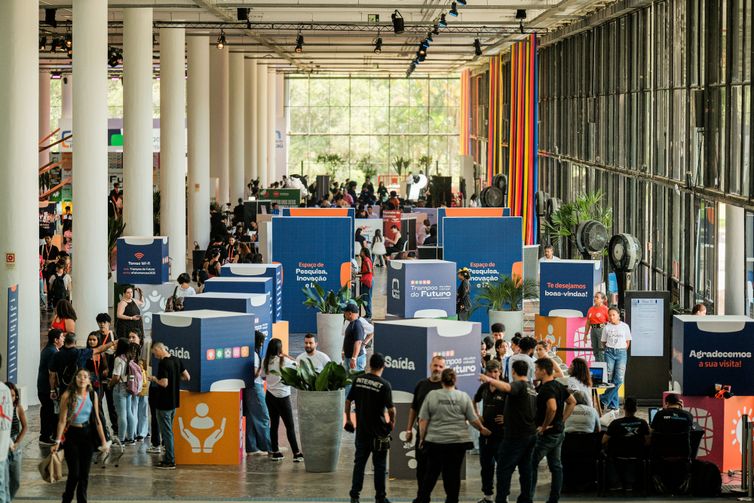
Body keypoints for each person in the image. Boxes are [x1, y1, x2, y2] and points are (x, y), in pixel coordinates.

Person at [413, 368, 491, 503]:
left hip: (435, 442)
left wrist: (422, 438)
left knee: (430, 474)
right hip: (457, 444)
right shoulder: (463, 396)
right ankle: (452, 500)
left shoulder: (432, 395)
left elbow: (423, 420)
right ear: (455, 380)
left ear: (442, 380)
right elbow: (472, 419)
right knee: (453, 476)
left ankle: (422, 500)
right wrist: (482, 429)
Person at [479, 360, 537, 503]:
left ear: (512, 372)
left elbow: (507, 388)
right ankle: (525, 499)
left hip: (516, 436)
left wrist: (488, 379)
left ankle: (502, 499)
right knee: (525, 469)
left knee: (504, 470)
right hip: (529, 435)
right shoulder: (532, 388)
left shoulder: (519, 385)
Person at [51, 368, 110, 503]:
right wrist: (57, 441)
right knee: (75, 474)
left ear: (89, 381)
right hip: (72, 436)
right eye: (79, 376)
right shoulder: (67, 395)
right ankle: (67, 499)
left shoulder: (92, 395)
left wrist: (104, 441)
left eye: (85, 376)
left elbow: (97, 419)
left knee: (84, 474)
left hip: (87, 435)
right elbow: (62, 421)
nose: (82, 379)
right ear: (75, 379)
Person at [346, 353, 396, 503]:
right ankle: (380, 498)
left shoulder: (358, 380)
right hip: (379, 433)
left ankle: (354, 496)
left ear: (369, 364)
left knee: (359, 464)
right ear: (383, 366)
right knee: (379, 466)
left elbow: (348, 401)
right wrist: (392, 422)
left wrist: (349, 420)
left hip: (362, 431)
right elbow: (392, 410)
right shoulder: (385, 385)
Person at [530, 358, 577, 503]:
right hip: (558, 432)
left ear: (544, 371)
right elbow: (572, 402)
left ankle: (528, 497)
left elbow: (552, 407)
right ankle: (553, 498)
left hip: (547, 435)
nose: (535, 372)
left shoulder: (547, 389)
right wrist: (561, 420)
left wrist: (543, 427)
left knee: (531, 463)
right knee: (556, 466)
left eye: (537, 369)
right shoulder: (558, 386)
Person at [404, 356, 446, 485]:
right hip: (422, 435)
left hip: (440, 437)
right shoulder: (421, 384)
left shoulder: (447, 387)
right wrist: (409, 429)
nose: (437, 369)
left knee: (436, 471)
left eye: (440, 366)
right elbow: (413, 408)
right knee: (421, 469)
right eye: (435, 365)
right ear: (430, 366)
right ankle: (421, 496)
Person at [149, 342, 190, 469]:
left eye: (154, 352)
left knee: (167, 433)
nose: (155, 356)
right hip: (174, 402)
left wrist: (154, 379)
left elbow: (164, 383)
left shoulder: (163, 363)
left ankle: (170, 460)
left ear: (159, 349)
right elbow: (187, 377)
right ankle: (169, 458)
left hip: (163, 403)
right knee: (169, 431)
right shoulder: (177, 360)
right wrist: (175, 379)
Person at [262, 338, 303, 462]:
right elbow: (298, 365)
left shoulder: (265, 361)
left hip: (270, 396)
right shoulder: (284, 361)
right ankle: (296, 453)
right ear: (280, 348)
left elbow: (263, 377)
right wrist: (286, 355)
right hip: (283, 397)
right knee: (289, 426)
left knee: (273, 425)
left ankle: (276, 452)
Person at [473, 360, 506, 503]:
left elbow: (519, 406)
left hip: (502, 435)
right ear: (486, 373)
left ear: (500, 372)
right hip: (485, 433)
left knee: (503, 468)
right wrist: (477, 415)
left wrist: (507, 418)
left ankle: (503, 497)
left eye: (496, 372)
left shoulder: (506, 387)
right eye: (490, 372)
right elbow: (474, 400)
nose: (493, 375)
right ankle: (488, 497)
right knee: (486, 467)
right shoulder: (485, 387)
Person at [602, 397, 650, 490]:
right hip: (638, 455)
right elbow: (648, 442)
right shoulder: (643, 423)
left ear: (624, 408)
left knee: (604, 455)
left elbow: (603, 441)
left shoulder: (615, 423)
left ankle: (615, 482)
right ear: (636, 408)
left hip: (617, 455)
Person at [244, 331, 271, 455]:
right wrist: (263, 368)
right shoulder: (254, 355)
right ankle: (268, 447)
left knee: (251, 417)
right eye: (261, 341)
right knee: (263, 416)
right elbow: (254, 374)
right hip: (255, 387)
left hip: (250, 388)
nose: (262, 344)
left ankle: (252, 447)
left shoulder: (249, 353)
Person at [600, 307, 631, 412]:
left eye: (614, 315)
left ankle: (603, 399)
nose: (611, 317)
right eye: (610, 315)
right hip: (609, 352)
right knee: (610, 379)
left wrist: (621, 350)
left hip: (621, 353)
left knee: (619, 380)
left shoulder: (625, 326)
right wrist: (610, 350)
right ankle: (614, 406)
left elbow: (627, 341)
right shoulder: (606, 327)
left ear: (618, 315)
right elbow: (603, 342)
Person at [38, 328, 64, 445]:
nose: (63, 339)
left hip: (43, 387)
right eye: (62, 337)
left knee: (48, 411)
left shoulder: (49, 349)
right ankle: (46, 436)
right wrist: (53, 389)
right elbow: (52, 373)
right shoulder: (52, 352)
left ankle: (49, 434)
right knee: (49, 412)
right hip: (46, 388)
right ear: (56, 340)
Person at [110, 338, 137, 445]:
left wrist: (110, 384)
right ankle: (131, 437)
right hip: (128, 387)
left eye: (116, 344)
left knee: (121, 414)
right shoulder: (129, 357)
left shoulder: (118, 359)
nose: (114, 345)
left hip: (120, 387)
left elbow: (116, 377)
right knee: (129, 412)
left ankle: (121, 439)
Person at [95, 313, 118, 437]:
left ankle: (116, 428)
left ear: (109, 323)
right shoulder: (95, 335)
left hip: (111, 374)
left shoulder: (113, 335)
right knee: (97, 403)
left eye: (104, 322)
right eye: (100, 322)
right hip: (98, 374)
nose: (102, 324)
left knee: (112, 403)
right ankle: (102, 428)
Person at [5, 382, 27, 499]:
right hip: (2, 444)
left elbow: (25, 427)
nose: (11, 398)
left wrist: (17, 442)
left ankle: (8, 499)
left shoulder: (18, 408)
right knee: (3, 480)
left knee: (16, 480)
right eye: (8, 395)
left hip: (14, 445)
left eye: (13, 395)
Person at [583, 292, 608, 362]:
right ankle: (597, 366)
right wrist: (585, 334)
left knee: (601, 350)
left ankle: (603, 368)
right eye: (594, 297)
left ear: (602, 299)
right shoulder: (590, 309)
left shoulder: (605, 309)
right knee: (595, 350)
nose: (595, 298)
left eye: (597, 297)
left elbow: (610, 322)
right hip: (593, 330)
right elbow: (588, 323)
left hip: (602, 330)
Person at [343, 303, 367, 372]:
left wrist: (354, 358)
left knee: (354, 380)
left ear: (350, 313)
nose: (344, 315)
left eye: (345, 313)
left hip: (356, 359)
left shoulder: (357, 325)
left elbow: (358, 342)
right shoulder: (351, 324)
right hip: (349, 357)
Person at [359, 248, 374, 319]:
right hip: (366, 280)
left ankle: (369, 315)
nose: (360, 252)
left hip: (367, 281)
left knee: (367, 298)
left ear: (364, 252)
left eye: (361, 251)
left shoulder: (366, 260)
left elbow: (369, 270)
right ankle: (367, 314)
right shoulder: (367, 260)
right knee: (364, 298)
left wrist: (360, 273)